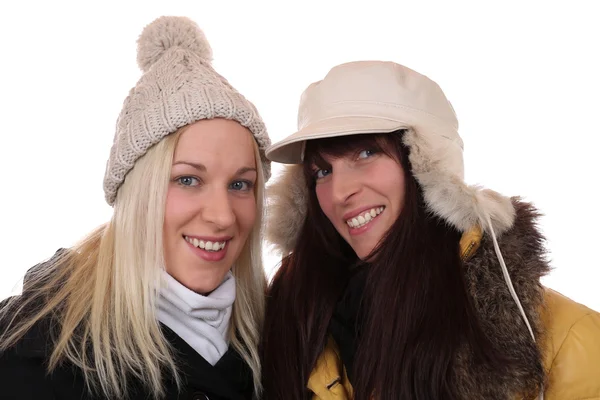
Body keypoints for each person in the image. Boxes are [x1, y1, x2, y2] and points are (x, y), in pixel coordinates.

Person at [261, 60, 600, 399]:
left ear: (428, 170)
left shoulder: (570, 340)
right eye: (322, 172)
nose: (338, 192)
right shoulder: (294, 320)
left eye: (366, 153)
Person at [0, 16, 271, 400]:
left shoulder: (273, 340)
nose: (223, 216)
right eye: (187, 180)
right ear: (137, 192)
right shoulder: (37, 361)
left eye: (240, 184)